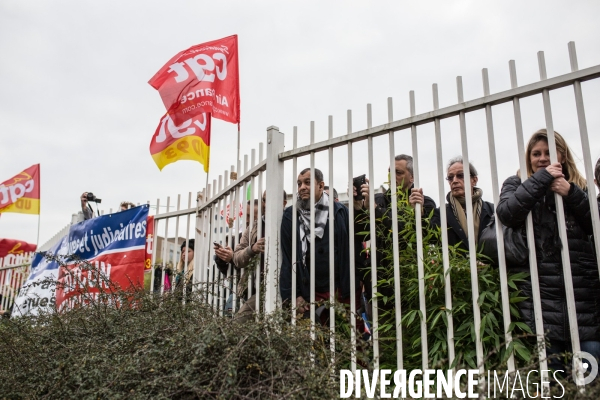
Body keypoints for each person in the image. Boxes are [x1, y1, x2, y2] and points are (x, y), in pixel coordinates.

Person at [496, 129, 600, 374]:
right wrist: (541, 180)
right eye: (536, 154)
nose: (542, 158)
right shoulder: (516, 183)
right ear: (528, 158)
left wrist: (571, 193)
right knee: (554, 380)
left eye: (549, 153)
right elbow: (507, 213)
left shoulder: (580, 186)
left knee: (589, 375)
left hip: (582, 295)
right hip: (542, 298)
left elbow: (594, 224)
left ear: (562, 155)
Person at [354, 154, 436, 307]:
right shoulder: (378, 199)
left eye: (398, 173)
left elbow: (404, 230)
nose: (392, 177)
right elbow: (361, 234)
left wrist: (375, 210)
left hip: (411, 284)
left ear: (412, 177)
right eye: (390, 172)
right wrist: (359, 207)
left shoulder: (425, 203)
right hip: (379, 286)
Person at [280, 168, 357, 323]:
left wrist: (351, 288)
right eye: (299, 183)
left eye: (307, 182)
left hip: (339, 290)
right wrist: (295, 295)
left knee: (346, 340)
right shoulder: (291, 215)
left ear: (321, 186)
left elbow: (353, 251)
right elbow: (288, 258)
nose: (302, 187)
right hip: (309, 293)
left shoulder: (340, 212)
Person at [232, 191, 287, 322]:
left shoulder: (290, 222)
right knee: (238, 323)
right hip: (257, 290)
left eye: (272, 199)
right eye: (264, 200)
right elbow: (236, 258)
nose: (267, 204)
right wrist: (252, 249)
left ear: (284, 203)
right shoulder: (253, 227)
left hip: (285, 287)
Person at [431, 157, 494, 252]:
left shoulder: (492, 210)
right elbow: (431, 240)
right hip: (455, 266)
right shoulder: (440, 213)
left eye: (460, 175)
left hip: (489, 266)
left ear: (474, 180)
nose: (454, 181)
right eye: (450, 177)